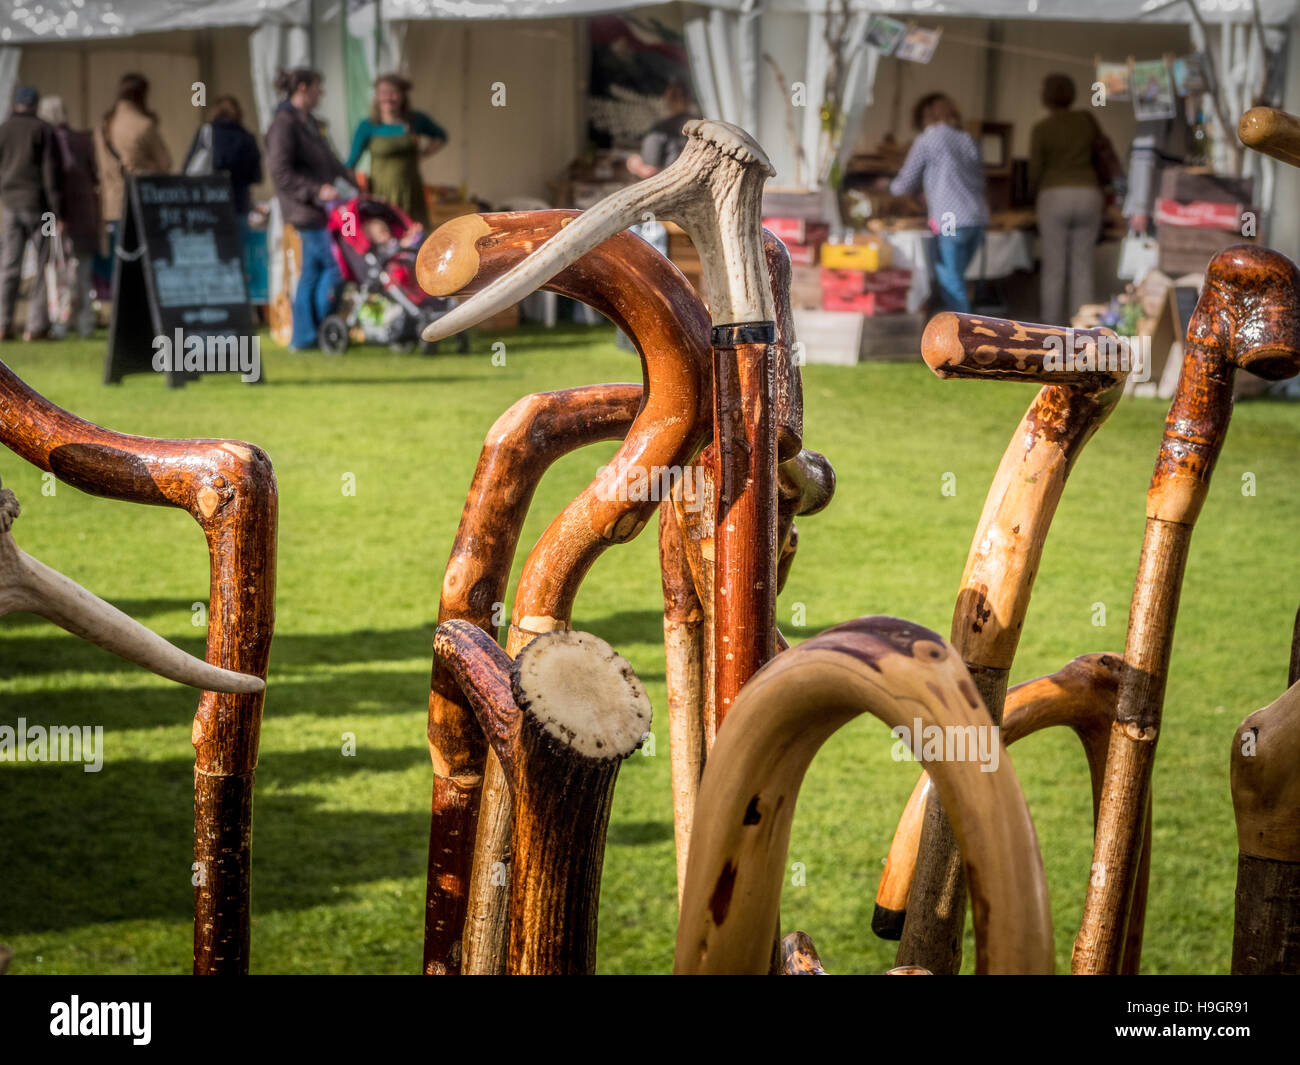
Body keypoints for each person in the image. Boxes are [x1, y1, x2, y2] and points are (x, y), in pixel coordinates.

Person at [266, 67, 353, 351]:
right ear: (303, 88)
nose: (322, 94)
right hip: (307, 211)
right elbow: (280, 172)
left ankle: (304, 337)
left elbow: (331, 162)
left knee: (312, 273)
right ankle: (321, 327)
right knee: (337, 265)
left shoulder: (310, 122)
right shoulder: (284, 123)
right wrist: (315, 191)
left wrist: (356, 184)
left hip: (323, 210)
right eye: (318, 87)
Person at [888, 93, 988, 314]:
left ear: (925, 117)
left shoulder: (928, 138)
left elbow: (905, 182)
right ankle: (958, 329)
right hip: (977, 218)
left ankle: (964, 337)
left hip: (950, 219)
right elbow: (975, 179)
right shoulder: (967, 139)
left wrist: (886, 187)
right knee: (957, 280)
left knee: (951, 284)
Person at [1029, 74, 1105, 326]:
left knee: (1054, 267)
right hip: (1088, 193)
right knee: (1082, 265)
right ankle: (1083, 327)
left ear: (1044, 96)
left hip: (1054, 195)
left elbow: (1035, 171)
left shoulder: (1041, 129)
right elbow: (1101, 153)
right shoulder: (1086, 120)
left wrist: (1030, 198)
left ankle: (1049, 326)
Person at [36, 94, 100, 339]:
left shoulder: (53, 142)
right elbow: (93, 176)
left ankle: (61, 325)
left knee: (59, 273)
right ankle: (85, 324)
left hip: (62, 218)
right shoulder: (82, 140)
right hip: (85, 216)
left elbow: (57, 180)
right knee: (82, 273)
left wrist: (56, 215)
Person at [0, 85, 61, 341]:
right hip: (39, 207)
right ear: (35, 105)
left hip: (11, 205)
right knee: (42, 264)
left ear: (15, 104)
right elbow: (50, 173)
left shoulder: (3, 129)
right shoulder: (43, 129)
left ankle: (3, 324)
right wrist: (57, 209)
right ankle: (36, 327)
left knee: (9, 265)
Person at [346, 74, 445, 228]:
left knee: (417, 235)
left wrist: (423, 154)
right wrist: (360, 193)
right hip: (382, 193)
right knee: (390, 235)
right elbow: (350, 164)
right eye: (383, 93)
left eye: (393, 92)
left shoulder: (415, 120)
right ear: (377, 96)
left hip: (412, 191)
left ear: (403, 96)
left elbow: (440, 136)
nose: (388, 98)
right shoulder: (368, 126)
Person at [94, 73, 172, 260]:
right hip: (139, 201)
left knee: (116, 260)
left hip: (110, 202)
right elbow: (165, 163)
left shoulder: (104, 125)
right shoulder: (144, 125)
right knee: (138, 261)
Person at [183, 95, 262, 254]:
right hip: (239, 205)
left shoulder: (207, 132)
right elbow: (257, 176)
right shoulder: (247, 138)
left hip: (209, 204)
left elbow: (188, 169)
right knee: (238, 256)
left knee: (209, 255)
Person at [626, 80, 695, 179]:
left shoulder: (659, 130)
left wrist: (635, 164)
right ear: (689, 99)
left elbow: (649, 172)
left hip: (673, 188)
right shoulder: (704, 126)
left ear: (668, 99)